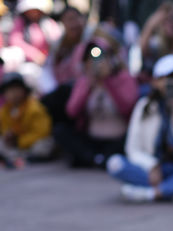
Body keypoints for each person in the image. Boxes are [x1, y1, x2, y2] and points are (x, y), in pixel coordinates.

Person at [106, 54, 173, 203]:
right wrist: (152, 165)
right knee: (115, 163)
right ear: (156, 81)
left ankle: (151, 193)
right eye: (168, 78)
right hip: (155, 169)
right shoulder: (145, 106)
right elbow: (132, 148)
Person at [55, 34, 139, 168]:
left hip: (118, 138)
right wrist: (89, 85)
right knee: (61, 130)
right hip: (92, 139)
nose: (96, 63)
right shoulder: (85, 81)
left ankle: (98, 159)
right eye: (91, 59)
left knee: (127, 141)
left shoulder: (124, 78)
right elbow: (72, 111)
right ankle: (96, 159)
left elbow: (127, 108)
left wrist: (108, 82)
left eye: (101, 58)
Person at [0, 72, 53, 167]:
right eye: (9, 91)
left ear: (24, 90)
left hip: (32, 142)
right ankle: (20, 157)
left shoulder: (34, 107)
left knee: (43, 145)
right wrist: (8, 136)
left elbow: (42, 132)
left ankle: (22, 157)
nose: (13, 94)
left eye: (16, 89)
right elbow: (4, 129)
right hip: (17, 144)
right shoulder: (4, 111)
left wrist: (20, 141)